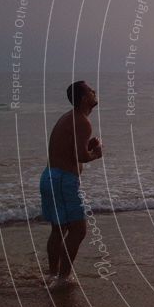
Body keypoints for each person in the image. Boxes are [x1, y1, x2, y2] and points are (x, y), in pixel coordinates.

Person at [40, 81, 103, 291]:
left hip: (50, 176)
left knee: (59, 229)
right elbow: (81, 156)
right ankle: (63, 278)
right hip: (63, 180)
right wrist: (96, 152)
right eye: (91, 91)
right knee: (78, 230)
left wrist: (87, 147)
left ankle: (52, 274)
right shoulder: (82, 121)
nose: (95, 92)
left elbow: (70, 149)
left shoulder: (69, 117)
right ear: (85, 99)